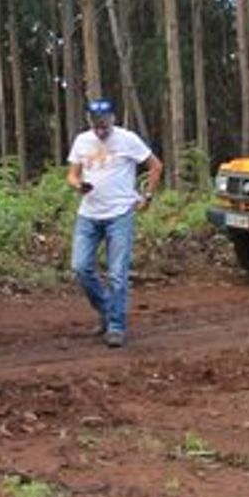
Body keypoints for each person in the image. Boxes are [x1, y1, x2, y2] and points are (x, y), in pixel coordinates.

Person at [67, 98, 162, 348]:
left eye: (104, 123)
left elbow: (155, 166)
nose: (100, 128)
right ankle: (107, 310)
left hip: (119, 214)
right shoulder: (82, 141)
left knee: (117, 273)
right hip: (89, 214)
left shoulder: (127, 139)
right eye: (95, 123)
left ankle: (116, 327)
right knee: (80, 266)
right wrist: (78, 185)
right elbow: (72, 175)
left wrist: (147, 196)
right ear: (89, 121)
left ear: (112, 119)